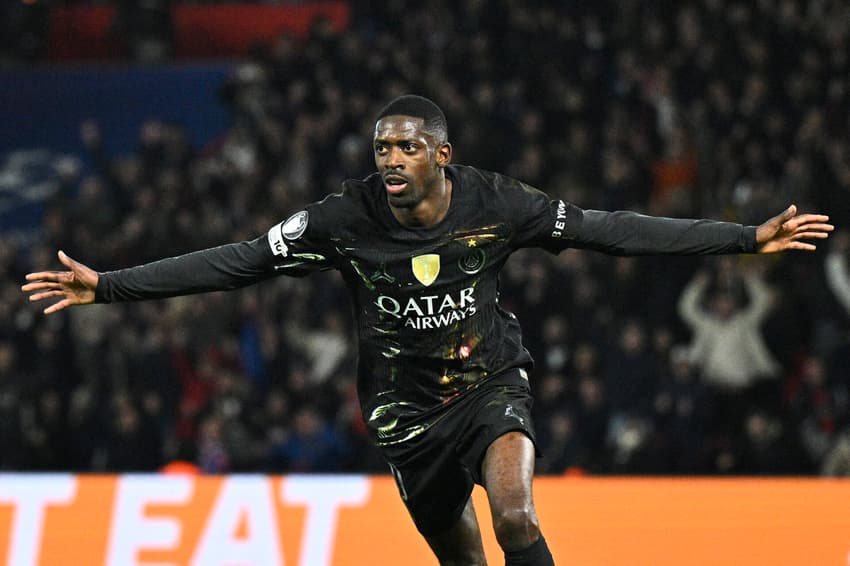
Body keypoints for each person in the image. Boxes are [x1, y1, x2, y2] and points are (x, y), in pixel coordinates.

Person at [22, 95, 833, 565]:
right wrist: (110, 288)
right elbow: (237, 262)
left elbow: (610, 228)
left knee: (516, 516)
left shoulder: (496, 204)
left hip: (489, 385)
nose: (392, 158)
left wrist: (743, 239)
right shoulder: (341, 220)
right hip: (406, 418)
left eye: (407, 146)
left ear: (442, 153)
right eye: (383, 147)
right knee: (466, 559)